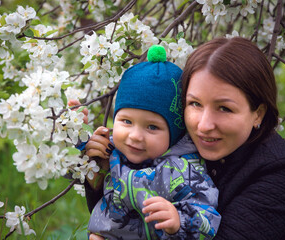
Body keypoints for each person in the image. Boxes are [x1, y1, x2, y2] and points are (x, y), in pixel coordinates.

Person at [84, 37, 285, 239]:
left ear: (258, 114)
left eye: (224, 108)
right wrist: (103, 172)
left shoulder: (282, 176)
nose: (203, 125)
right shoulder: (177, 145)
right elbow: (123, 216)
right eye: (195, 104)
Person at [85, 45, 221, 239]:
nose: (135, 136)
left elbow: (207, 219)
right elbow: (71, 168)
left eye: (152, 127)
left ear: (174, 133)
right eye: (127, 121)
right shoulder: (113, 148)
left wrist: (179, 222)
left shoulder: (183, 169)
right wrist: (83, 142)